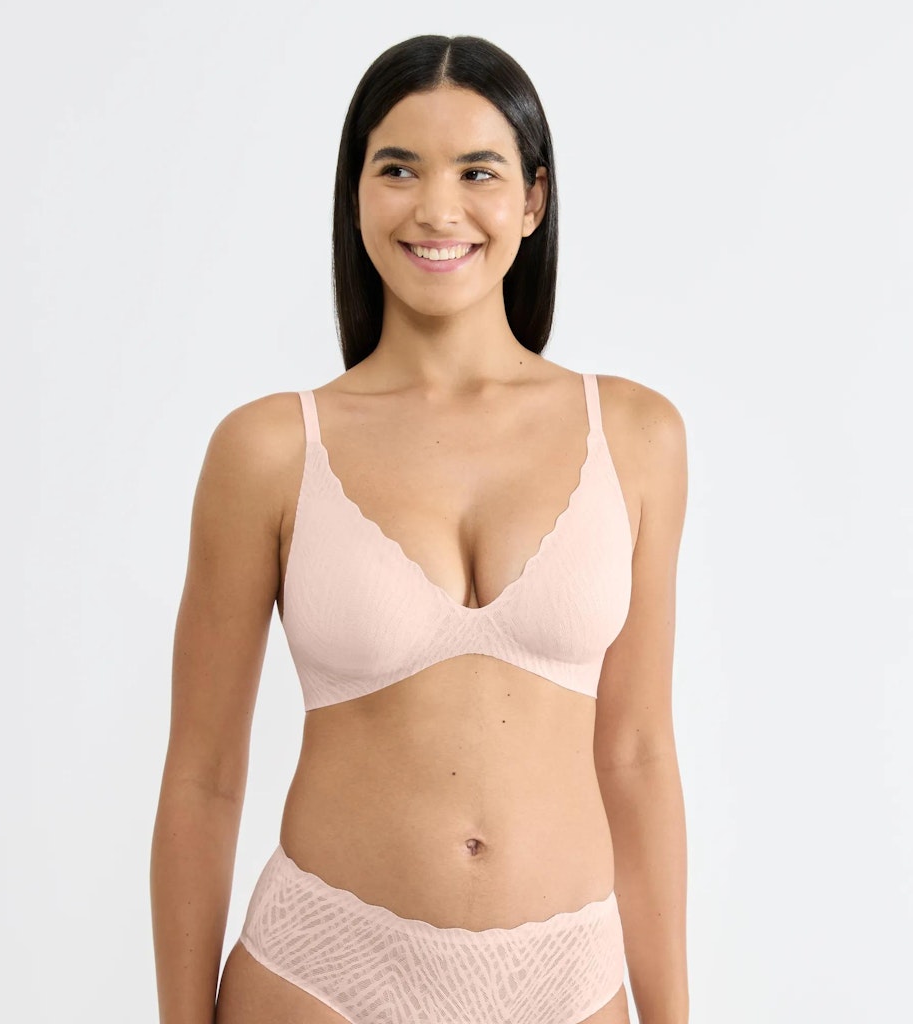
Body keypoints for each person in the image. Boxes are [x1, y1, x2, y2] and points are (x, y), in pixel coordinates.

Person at [151, 33, 689, 1024]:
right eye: (397, 169)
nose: (437, 209)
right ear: (355, 195)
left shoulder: (636, 435)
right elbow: (203, 777)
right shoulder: (269, 449)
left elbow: (638, 753)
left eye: (477, 172)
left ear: (533, 200)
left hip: (565, 981)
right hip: (321, 972)